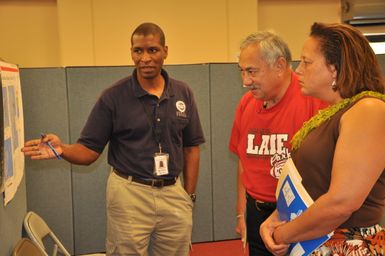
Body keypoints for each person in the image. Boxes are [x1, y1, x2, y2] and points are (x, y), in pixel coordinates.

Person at [22, 22, 205, 256]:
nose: (145, 58)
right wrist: (62, 149)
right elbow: (88, 151)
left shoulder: (183, 93)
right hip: (129, 193)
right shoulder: (113, 96)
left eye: (153, 50)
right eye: (138, 51)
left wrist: (188, 196)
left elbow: (191, 148)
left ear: (165, 51)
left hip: (173, 193)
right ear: (131, 53)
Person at [260, 22, 385, 256]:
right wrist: (276, 218)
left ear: (335, 68)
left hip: (346, 245)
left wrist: (283, 234)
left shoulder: (369, 109)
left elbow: (341, 203)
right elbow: (314, 185)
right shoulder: (336, 113)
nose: (298, 70)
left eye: (306, 62)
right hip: (315, 242)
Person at [228, 31, 325, 255]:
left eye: (251, 71)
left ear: (280, 66)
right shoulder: (246, 104)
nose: (245, 81)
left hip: (299, 213)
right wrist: (241, 212)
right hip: (256, 212)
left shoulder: (313, 101)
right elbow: (243, 161)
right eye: (241, 72)